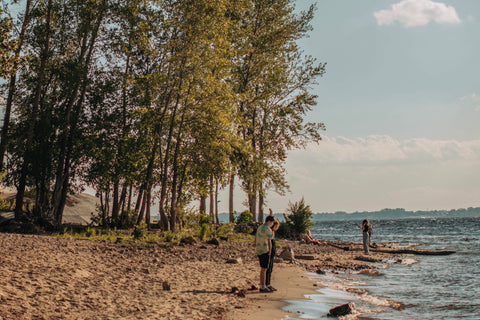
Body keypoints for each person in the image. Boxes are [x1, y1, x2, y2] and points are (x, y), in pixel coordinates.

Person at [255, 215, 275, 292]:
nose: (272, 225)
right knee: (264, 268)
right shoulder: (268, 229)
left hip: (259, 249)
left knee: (262, 268)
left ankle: (262, 284)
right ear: (269, 221)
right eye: (272, 223)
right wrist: (270, 251)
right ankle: (263, 286)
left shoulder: (259, 227)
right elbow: (269, 241)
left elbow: (256, 239)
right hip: (265, 250)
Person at [265, 219, 280, 292]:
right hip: (270, 251)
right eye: (276, 226)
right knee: (268, 268)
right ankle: (267, 284)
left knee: (270, 268)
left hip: (272, 251)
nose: (277, 228)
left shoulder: (272, 232)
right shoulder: (269, 231)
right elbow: (269, 242)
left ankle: (268, 283)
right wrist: (270, 251)